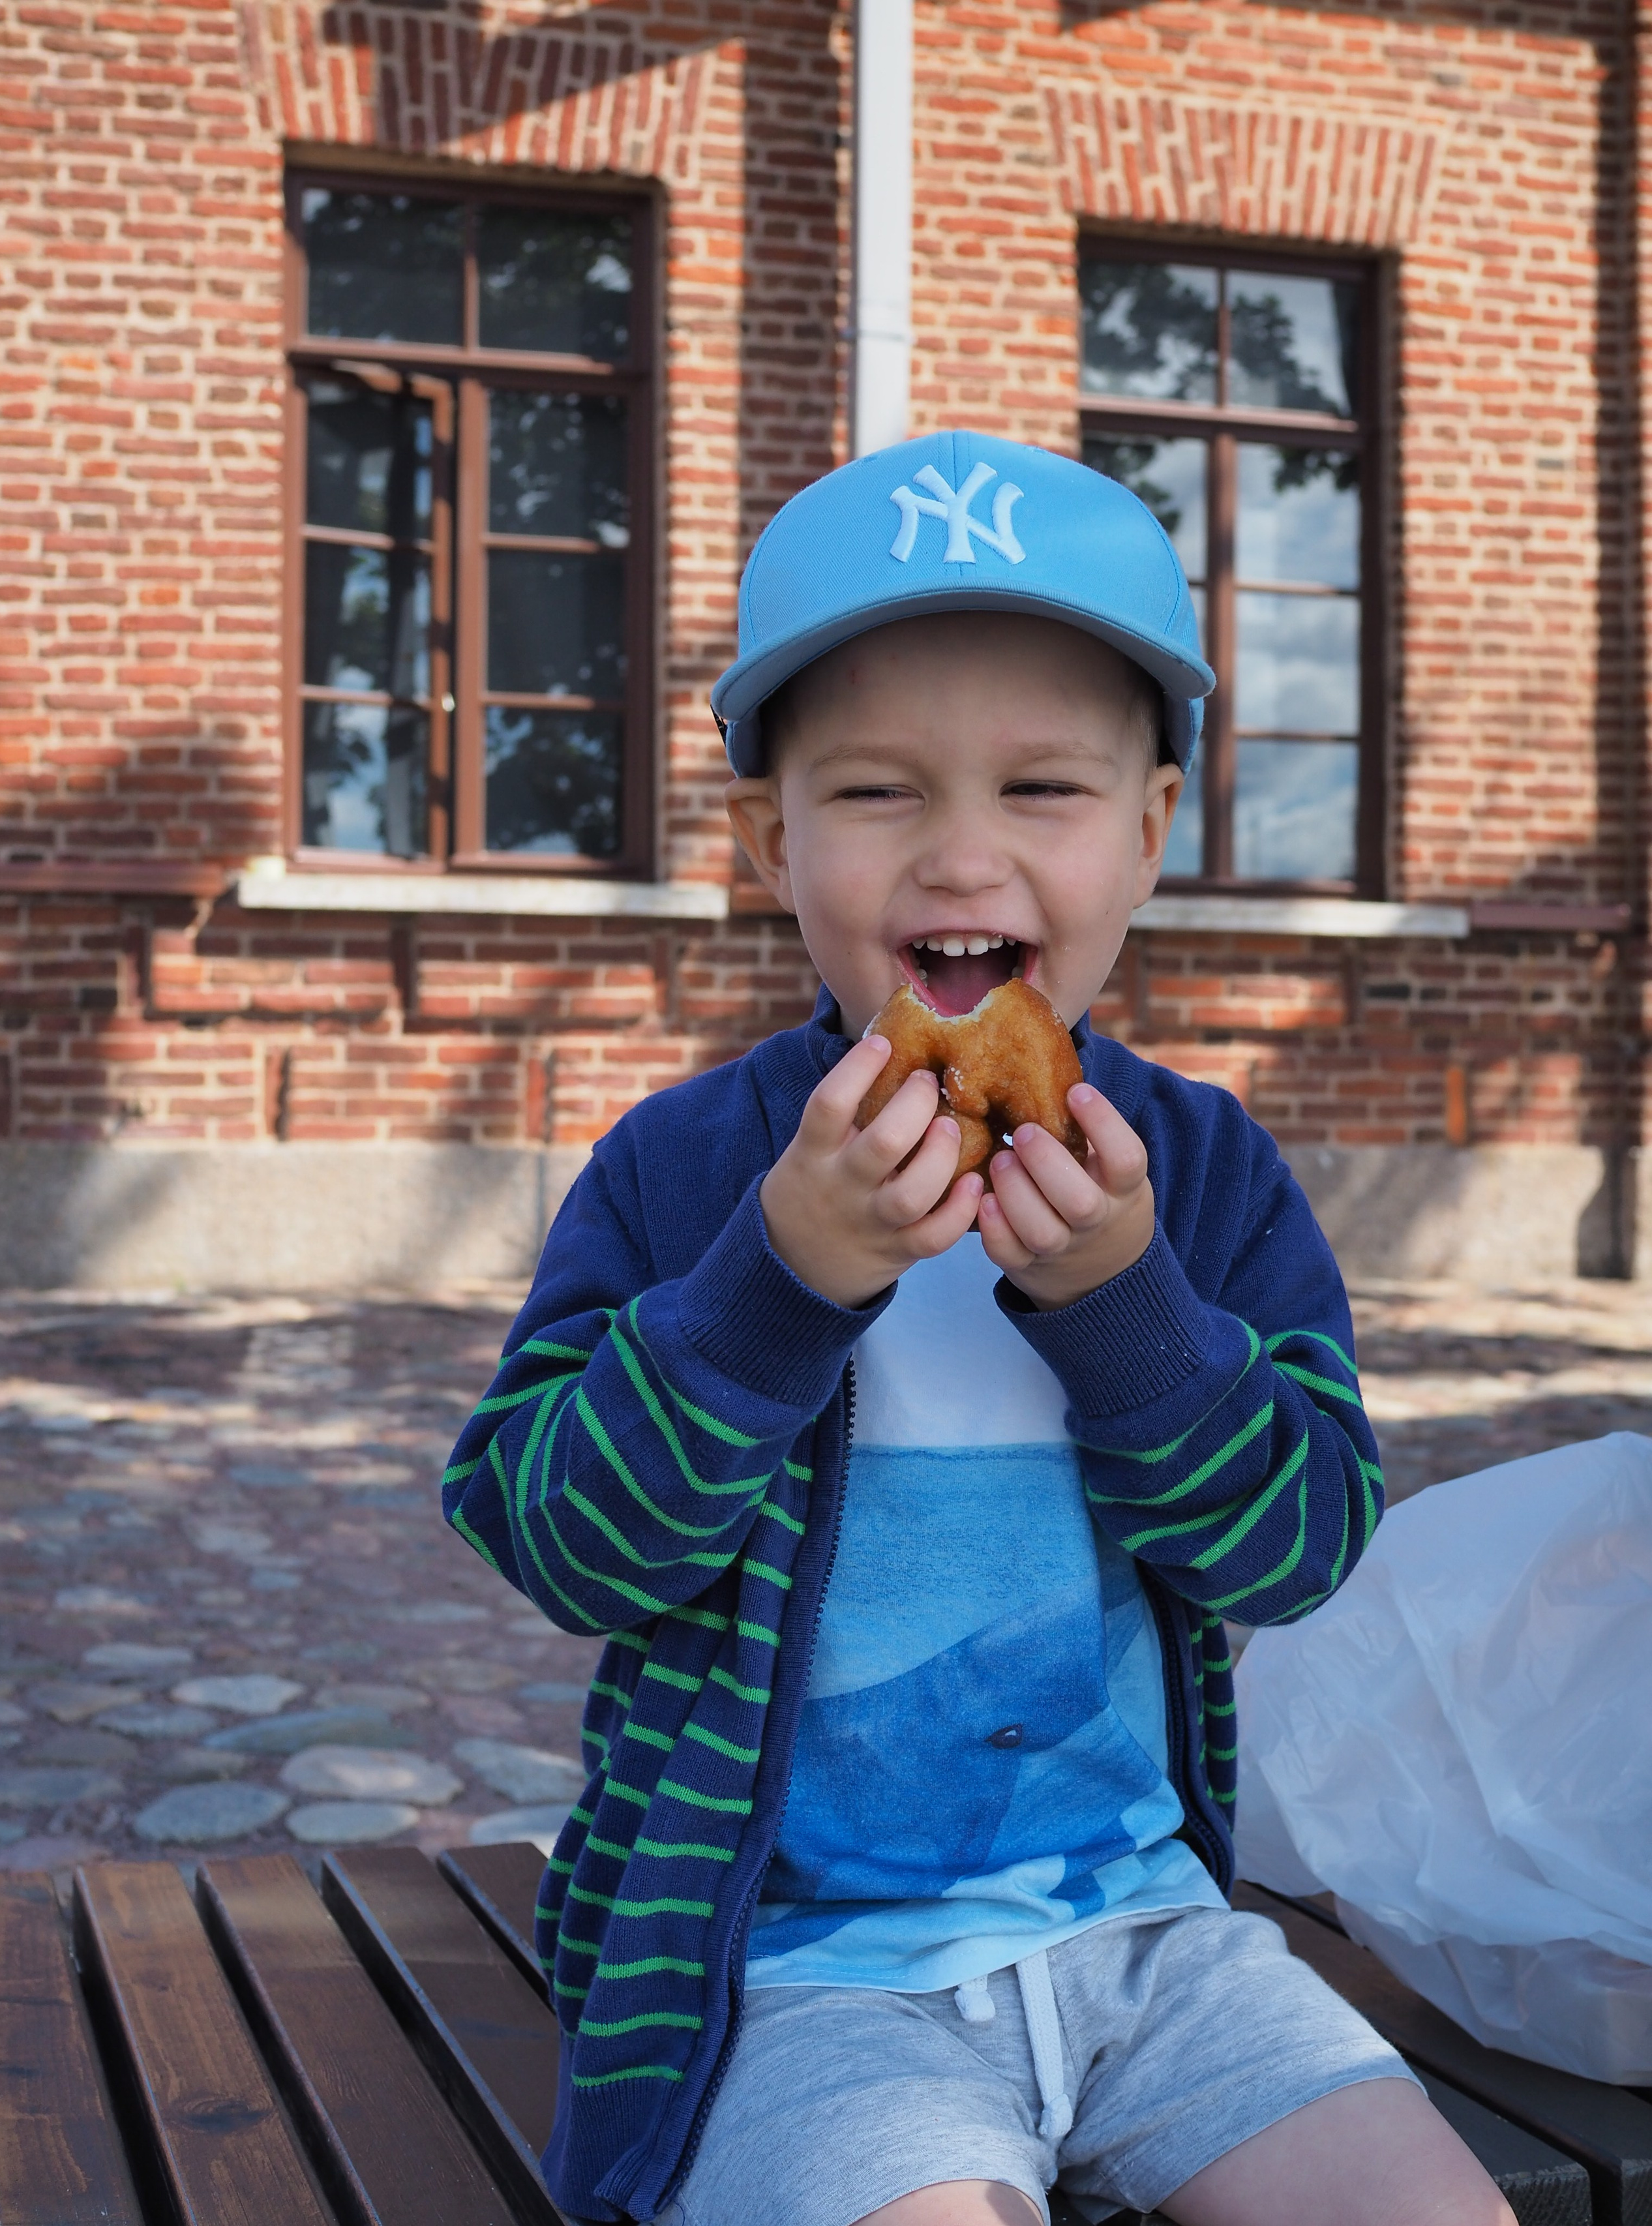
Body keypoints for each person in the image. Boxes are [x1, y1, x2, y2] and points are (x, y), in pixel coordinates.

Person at [442, 431, 1512, 2226]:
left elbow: (1300, 1547)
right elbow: (558, 1543)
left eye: (1042, 788)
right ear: (772, 839)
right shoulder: (689, 1172)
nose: (961, 854)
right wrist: (775, 1285)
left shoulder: (1200, 1177)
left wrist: (1128, 1313)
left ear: (1149, 831)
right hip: (792, 1970)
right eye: (877, 792)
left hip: (1148, 1933)